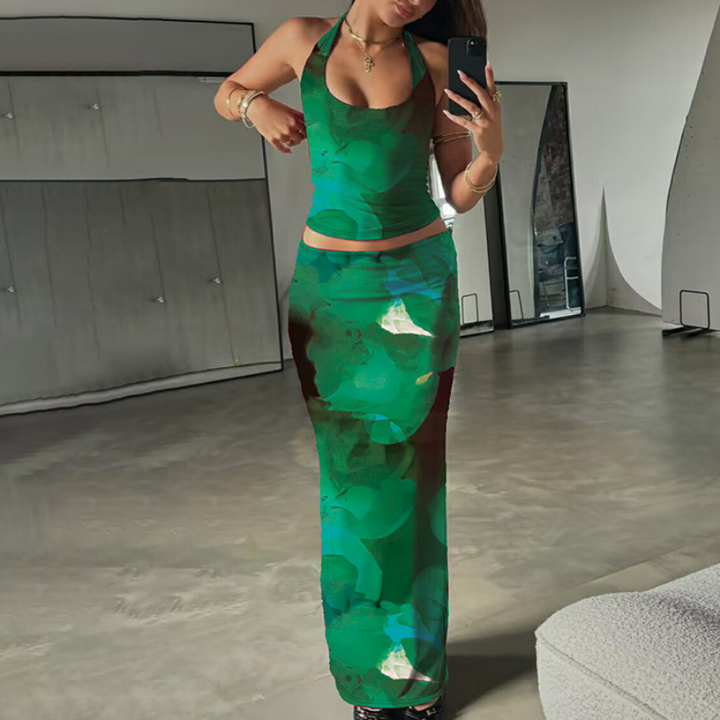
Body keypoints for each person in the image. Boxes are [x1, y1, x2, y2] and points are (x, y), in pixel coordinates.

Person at [214, 1, 503, 717]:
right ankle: (367, 679)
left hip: (416, 289)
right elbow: (226, 92)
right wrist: (254, 107)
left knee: (415, 482)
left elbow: (457, 196)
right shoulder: (302, 41)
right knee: (347, 486)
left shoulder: (438, 64)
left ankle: (418, 679)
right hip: (330, 297)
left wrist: (490, 155)